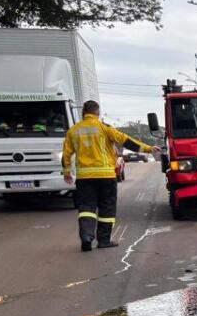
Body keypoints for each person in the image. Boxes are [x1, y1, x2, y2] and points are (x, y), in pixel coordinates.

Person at [61, 100, 160, 251]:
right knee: (106, 208)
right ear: (97, 113)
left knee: (86, 208)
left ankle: (86, 237)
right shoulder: (104, 128)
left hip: (84, 178)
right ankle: (103, 240)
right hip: (105, 176)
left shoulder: (73, 131)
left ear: (83, 113)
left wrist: (67, 171)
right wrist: (148, 149)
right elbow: (126, 141)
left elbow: (66, 154)